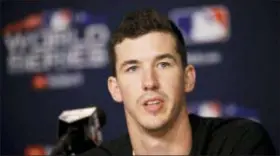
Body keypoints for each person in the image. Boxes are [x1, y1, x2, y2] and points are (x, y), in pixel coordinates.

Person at [79, 8, 277, 156]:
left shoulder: (239, 144)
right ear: (115, 89)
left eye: (163, 64)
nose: (149, 82)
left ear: (188, 78)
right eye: (132, 68)